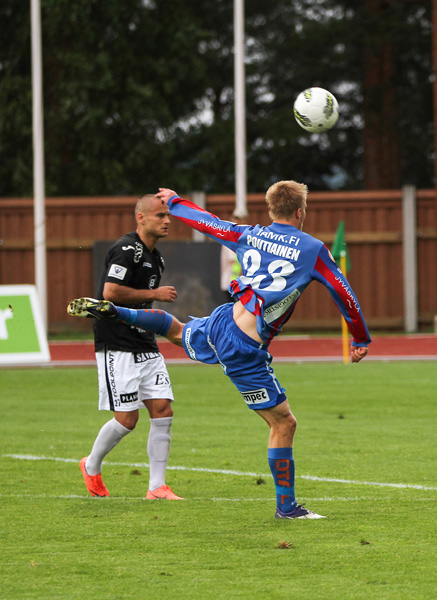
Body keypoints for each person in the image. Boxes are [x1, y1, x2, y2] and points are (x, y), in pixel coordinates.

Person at [69, 181, 371, 519]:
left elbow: (209, 223)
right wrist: (360, 338)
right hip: (244, 348)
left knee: (178, 331)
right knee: (283, 423)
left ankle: (117, 312)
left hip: (222, 321)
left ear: (272, 209)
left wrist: (177, 201)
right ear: (300, 212)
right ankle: (287, 507)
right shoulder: (312, 248)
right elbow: (344, 293)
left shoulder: (251, 233)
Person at [79, 194, 182, 500]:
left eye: (168, 216)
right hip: (117, 343)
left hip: (144, 342)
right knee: (127, 419)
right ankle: (91, 465)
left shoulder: (157, 258)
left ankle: (157, 487)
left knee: (163, 409)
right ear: (141, 218)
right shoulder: (126, 250)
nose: (167, 220)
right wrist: (155, 293)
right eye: (160, 215)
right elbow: (110, 293)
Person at [220, 208, 249, 303]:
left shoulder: (241, 238)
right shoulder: (230, 239)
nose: (237, 222)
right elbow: (234, 261)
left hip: (237, 284)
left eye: (239, 219)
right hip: (232, 284)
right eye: (235, 219)